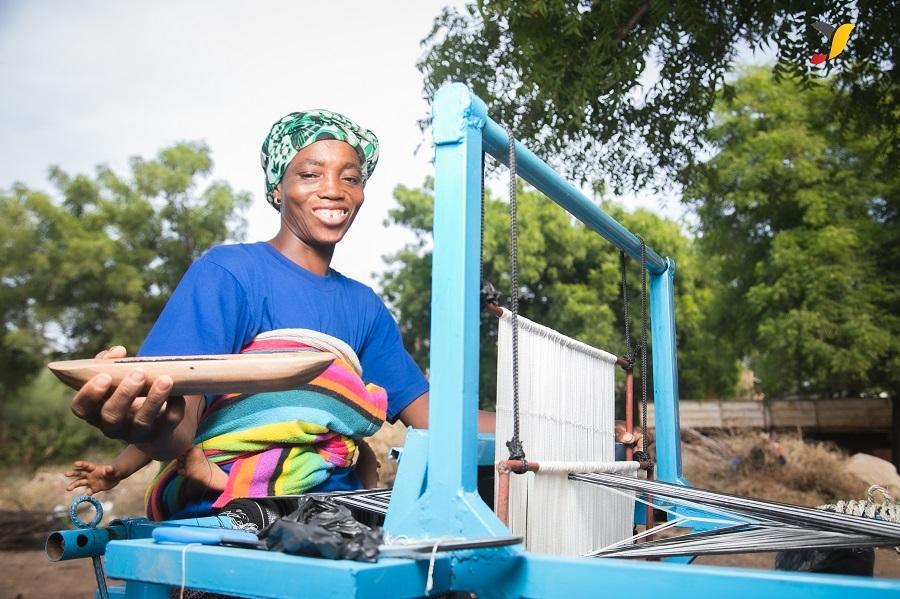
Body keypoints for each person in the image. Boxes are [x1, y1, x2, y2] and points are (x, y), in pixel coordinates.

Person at [68, 109, 494, 517]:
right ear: (276, 187)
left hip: (336, 507)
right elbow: (178, 421)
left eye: (351, 177)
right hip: (231, 510)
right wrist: (149, 424)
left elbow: (432, 420)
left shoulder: (364, 307)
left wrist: (536, 426)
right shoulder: (229, 274)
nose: (334, 189)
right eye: (310, 174)